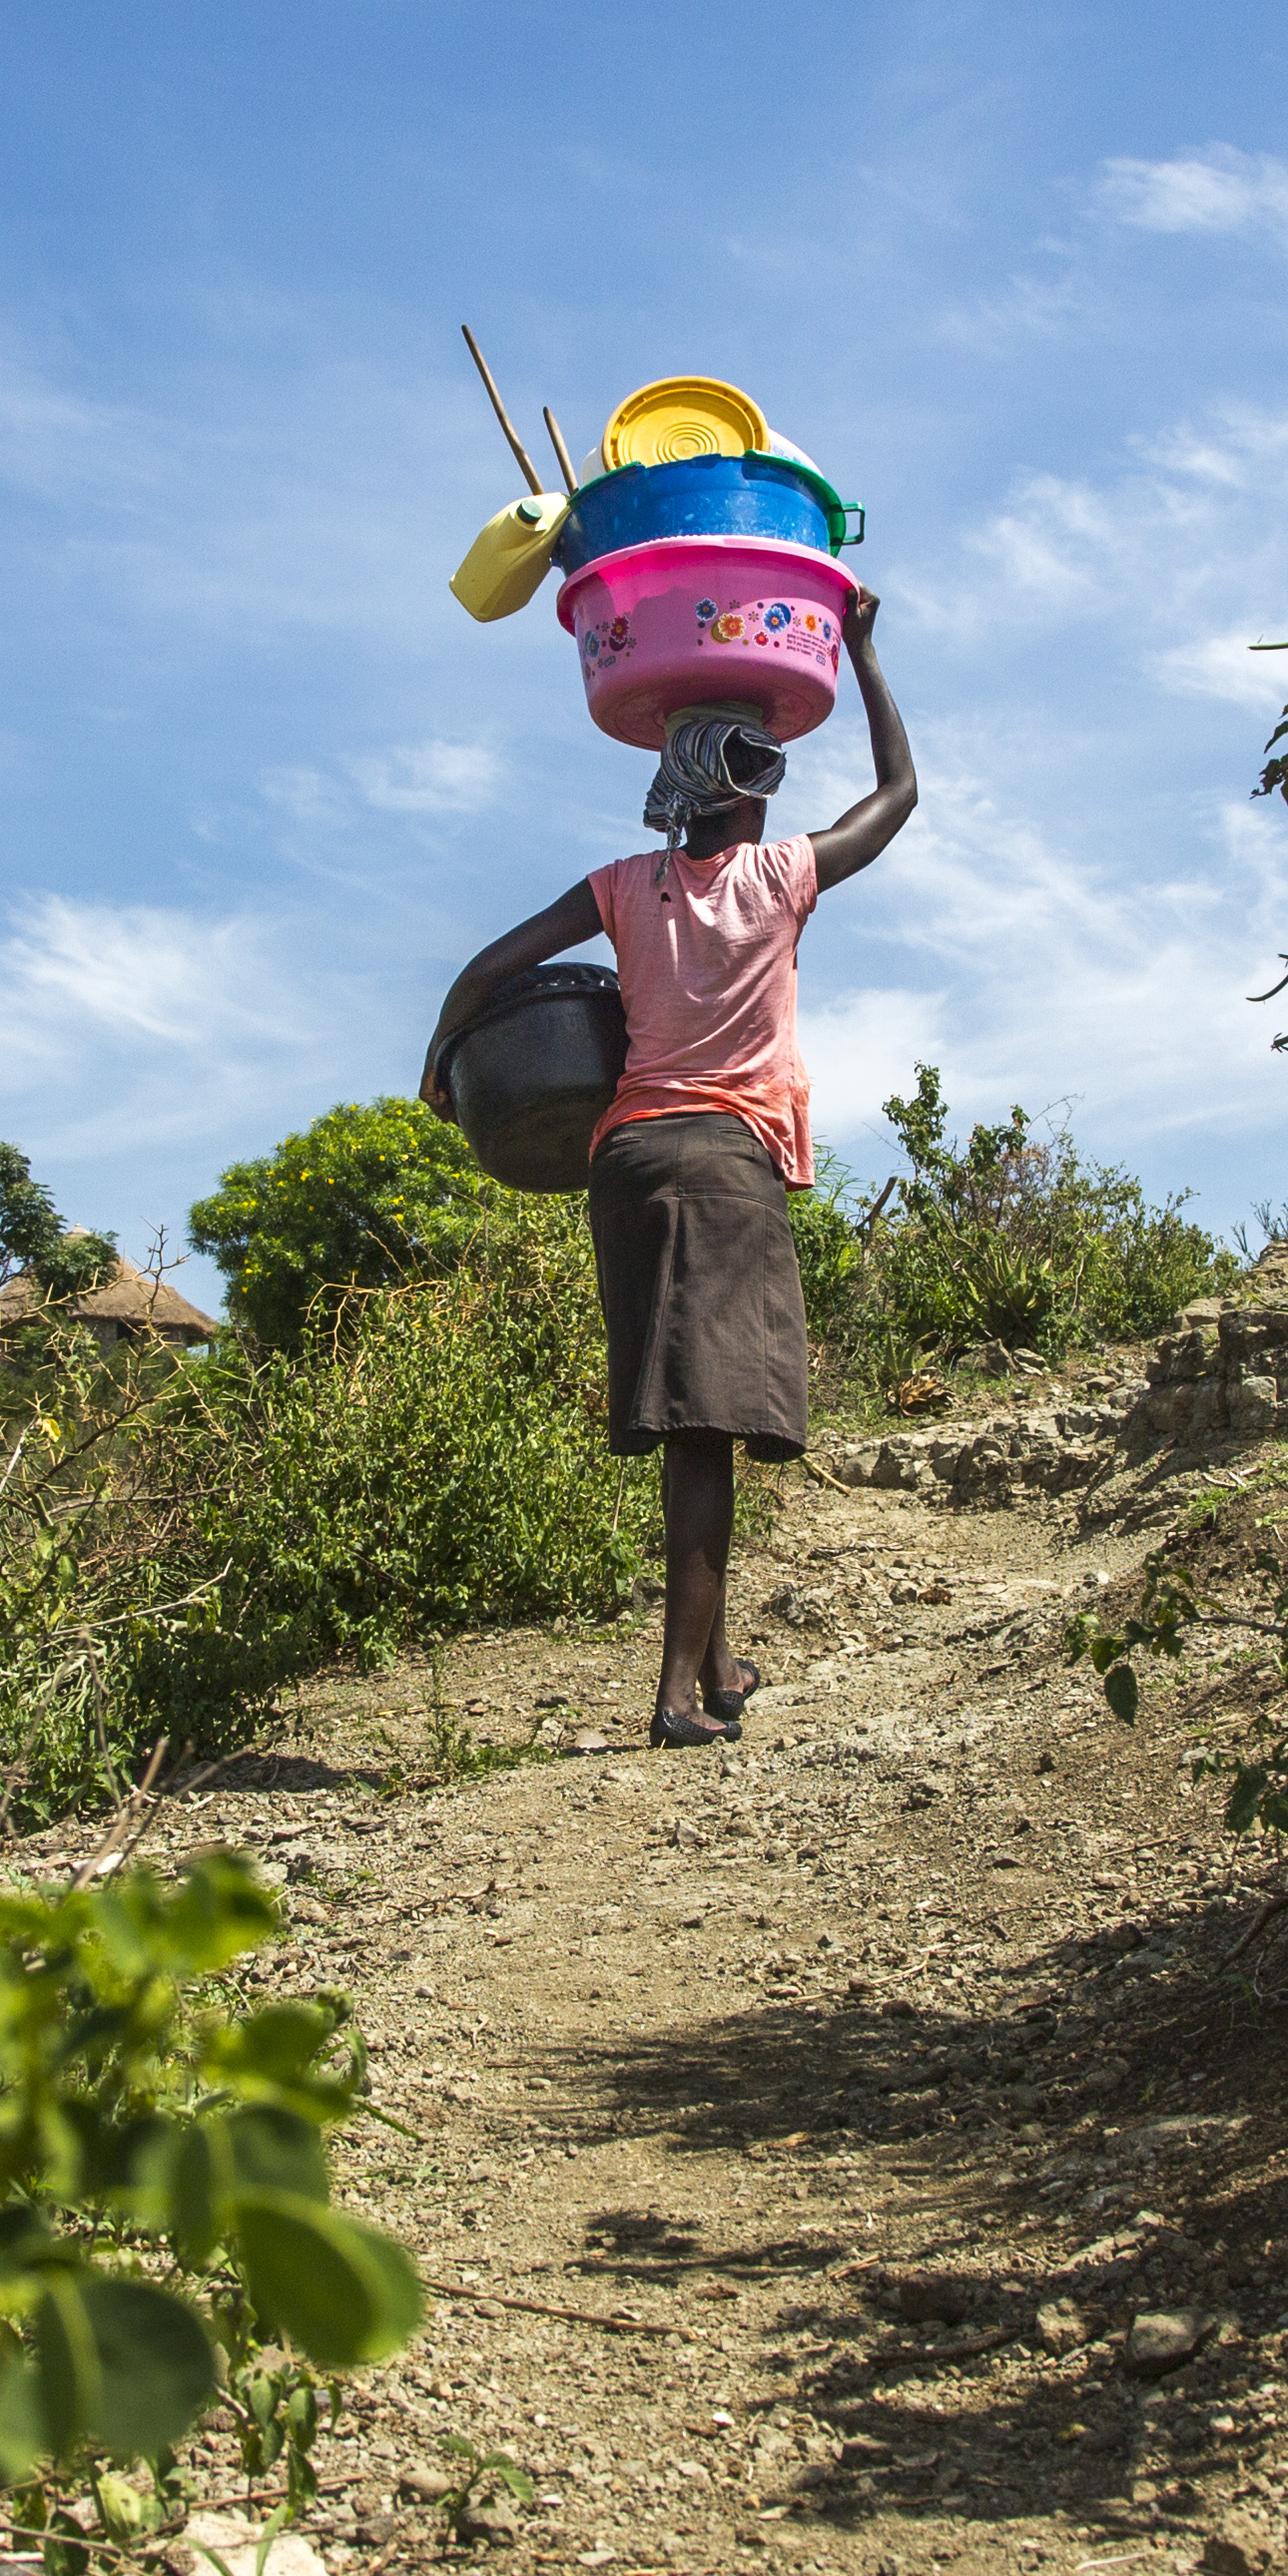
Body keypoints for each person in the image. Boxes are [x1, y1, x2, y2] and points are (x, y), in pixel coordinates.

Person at [427, 602, 917, 1747]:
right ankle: (675, 1695)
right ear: (741, 795)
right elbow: (897, 799)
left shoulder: (617, 889)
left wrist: (438, 1067)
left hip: (629, 1163)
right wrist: (867, 652)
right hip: (719, 1163)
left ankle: (721, 1659)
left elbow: (486, 967)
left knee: (693, 1404)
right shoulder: (779, 880)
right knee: (705, 1429)